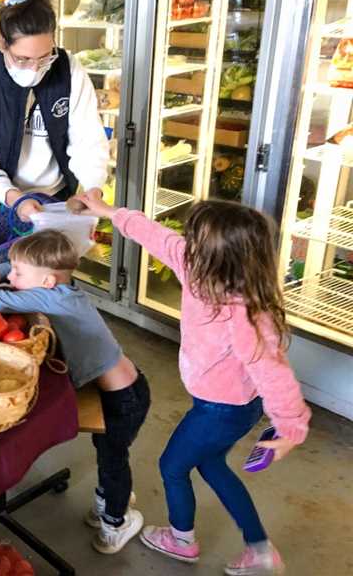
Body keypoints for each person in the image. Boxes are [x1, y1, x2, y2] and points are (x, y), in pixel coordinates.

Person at [76, 194, 311, 575]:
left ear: (219, 259)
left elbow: (273, 371)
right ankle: (260, 550)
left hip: (224, 410)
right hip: (220, 405)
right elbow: (152, 234)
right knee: (212, 465)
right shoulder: (194, 265)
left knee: (172, 466)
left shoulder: (244, 310)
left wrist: (290, 428)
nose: (185, 244)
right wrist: (105, 212)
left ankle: (181, 540)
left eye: (195, 241)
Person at [0, 229, 150, 554]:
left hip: (125, 397)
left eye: (19, 273)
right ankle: (112, 496)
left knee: (113, 458)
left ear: (46, 281)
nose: (11, 275)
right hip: (117, 388)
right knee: (108, 451)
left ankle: (118, 519)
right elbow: (1, 271)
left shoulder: (52, 297)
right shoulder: (58, 287)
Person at [0, 0, 111, 221]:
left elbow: (88, 139)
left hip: (57, 199)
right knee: (11, 262)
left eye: (44, 57)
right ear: (2, 42)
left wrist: (92, 188)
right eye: (22, 59)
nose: (35, 69)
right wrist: (15, 199)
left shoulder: (68, 70)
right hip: (3, 201)